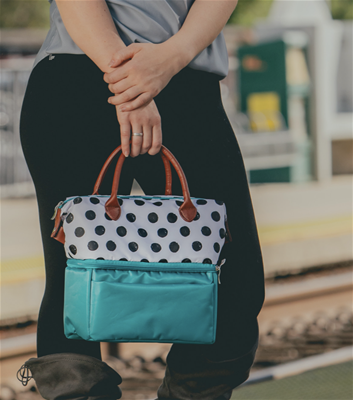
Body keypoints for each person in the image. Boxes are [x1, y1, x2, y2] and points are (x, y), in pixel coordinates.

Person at [16, 0, 265, 399]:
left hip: (183, 80)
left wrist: (169, 58)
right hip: (79, 74)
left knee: (236, 282)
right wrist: (131, 85)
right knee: (74, 287)